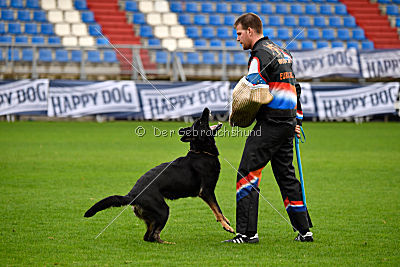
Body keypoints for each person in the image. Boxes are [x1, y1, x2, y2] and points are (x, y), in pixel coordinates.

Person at [223, 13, 313, 243]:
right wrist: (297, 121)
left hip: (270, 124)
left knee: (247, 173)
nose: (238, 39)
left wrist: (237, 114)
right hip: (287, 123)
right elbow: (295, 88)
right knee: (286, 176)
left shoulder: (258, 55)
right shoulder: (283, 52)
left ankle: (246, 233)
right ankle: (305, 230)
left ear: (251, 31)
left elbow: (252, 91)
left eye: (239, 33)